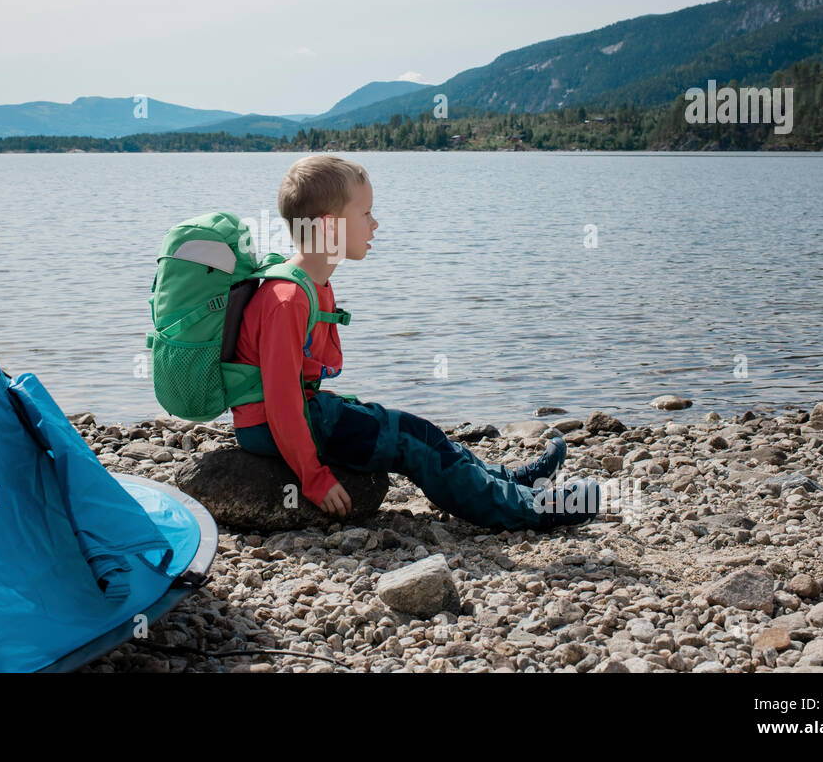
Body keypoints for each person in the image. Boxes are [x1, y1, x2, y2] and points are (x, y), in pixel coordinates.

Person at [230, 154, 603, 532]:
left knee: (421, 431)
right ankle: (530, 510)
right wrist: (312, 477)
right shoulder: (288, 298)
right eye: (365, 214)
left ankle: (508, 480)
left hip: (303, 412)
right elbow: (281, 400)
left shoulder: (309, 282)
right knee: (413, 443)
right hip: (274, 424)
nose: (375, 224)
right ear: (329, 227)